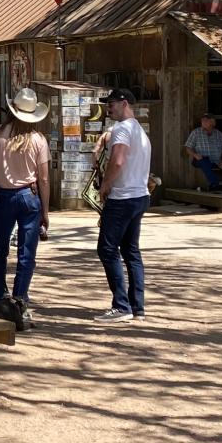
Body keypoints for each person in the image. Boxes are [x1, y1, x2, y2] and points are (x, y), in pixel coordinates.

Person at [0, 88, 49, 331]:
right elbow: (44, 179)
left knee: (0, 247)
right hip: (29, 195)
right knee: (26, 252)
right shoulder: (38, 139)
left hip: (5, 195)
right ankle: (19, 300)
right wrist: (45, 211)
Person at [95, 88, 152, 323]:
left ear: (124, 103)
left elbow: (117, 161)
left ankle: (121, 305)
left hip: (122, 197)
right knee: (130, 251)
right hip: (139, 195)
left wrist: (105, 185)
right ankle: (137, 307)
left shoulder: (122, 129)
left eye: (111, 104)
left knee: (107, 249)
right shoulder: (139, 131)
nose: (108, 108)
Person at [184, 111, 222, 193]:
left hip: (217, 161)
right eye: (202, 120)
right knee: (204, 161)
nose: (203, 122)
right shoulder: (196, 132)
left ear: (213, 122)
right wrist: (195, 155)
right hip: (200, 159)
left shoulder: (219, 134)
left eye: (206, 120)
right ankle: (214, 185)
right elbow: (188, 148)